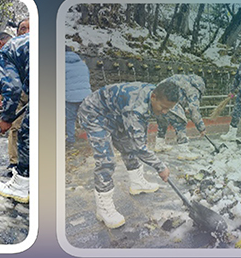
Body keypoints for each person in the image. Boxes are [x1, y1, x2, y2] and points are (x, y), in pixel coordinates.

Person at [76, 81, 180, 228]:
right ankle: (103, 210)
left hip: (116, 114)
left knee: (129, 146)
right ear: (153, 97)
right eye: (163, 107)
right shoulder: (135, 107)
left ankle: (137, 183)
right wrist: (160, 167)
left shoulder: (156, 95)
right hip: (94, 113)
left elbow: (138, 136)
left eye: (168, 109)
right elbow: (139, 147)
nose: (164, 112)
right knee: (106, 161)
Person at [0, 31, 30, 201]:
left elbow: (12, 88)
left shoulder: (6, 51)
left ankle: (21, 185)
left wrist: (6, 118)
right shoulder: (27, 41)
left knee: (26, 134)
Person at [152, 74, 206, 156]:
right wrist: (201, 128)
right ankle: (183, 151)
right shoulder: (194, 89)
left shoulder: (183, 79)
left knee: (162, 121)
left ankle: (159, 144)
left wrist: (184, 109)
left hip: (157, 101)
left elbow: (180, 96)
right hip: (168, 101)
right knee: (180, 122)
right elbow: (194, 110)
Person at [64, 48, 90, 145]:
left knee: (71, 119)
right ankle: (88, 137)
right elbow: (87, 78)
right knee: (86, 117)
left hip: (70, 97)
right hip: (86, 95)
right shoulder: (82, 64)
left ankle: (71, 140)